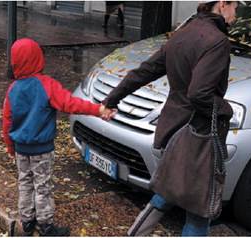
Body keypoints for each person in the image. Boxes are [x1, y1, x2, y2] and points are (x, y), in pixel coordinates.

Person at [101, 0, 241, 236]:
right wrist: (226, 110)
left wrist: (111, 99)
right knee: (199, 213)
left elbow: (144, 71)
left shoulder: (181, 34)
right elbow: (199, 94)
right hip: (198, 139)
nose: (236, 15)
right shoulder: (217, 42)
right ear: (223, 4)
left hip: (170, 132)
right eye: (235, 6)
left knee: (167, 191)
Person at [2, 38, 110, 236]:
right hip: (42, 149)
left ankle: (26, 221)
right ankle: (46, 226)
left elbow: (7, 122)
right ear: (38, 58)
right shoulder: (47, 85)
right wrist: (98, 109)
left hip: (20, 149)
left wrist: (10, 146)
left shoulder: (13, 89)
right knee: (42, 186)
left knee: (25, 183)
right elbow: (71, 104)